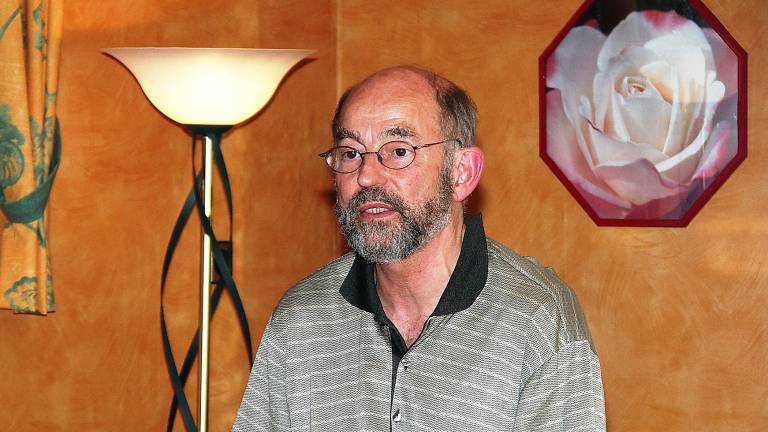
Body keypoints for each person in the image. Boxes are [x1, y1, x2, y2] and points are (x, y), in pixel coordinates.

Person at [232, 66, 606, 431]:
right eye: (350, 153)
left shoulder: (536, 318)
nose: (366, 176)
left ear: (461, 172)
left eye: (398, 151)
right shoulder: (300, 319)